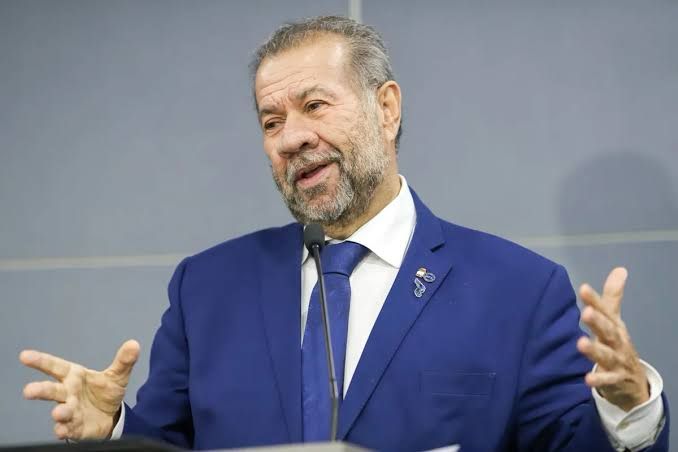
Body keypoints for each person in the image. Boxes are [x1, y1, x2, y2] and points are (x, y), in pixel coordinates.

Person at [20, 16, 669, 451]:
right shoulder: (206, 288)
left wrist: (628, 409)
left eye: (314, 105)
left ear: (386, 108)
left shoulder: (519, 291)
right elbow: (165, 446)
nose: (291, 137)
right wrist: (114, 431)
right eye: (270, 121)